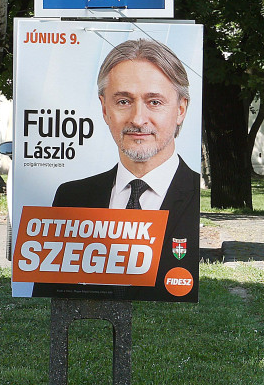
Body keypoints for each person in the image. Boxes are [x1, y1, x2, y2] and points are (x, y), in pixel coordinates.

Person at [47, 38, 200, 300]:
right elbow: (52, 298)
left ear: (181, 110)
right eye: (123, 101)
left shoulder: (200, 198)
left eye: (154, 102)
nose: (138, 119)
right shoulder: (70, 198)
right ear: (104, 109)